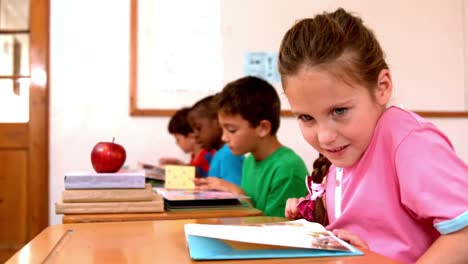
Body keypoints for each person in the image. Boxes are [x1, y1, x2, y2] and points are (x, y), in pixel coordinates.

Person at [279, 8, 468, 264]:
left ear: (382, 87)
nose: (324, 137)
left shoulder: (409, 141)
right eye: (306, 118)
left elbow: (464, 233)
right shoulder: (345, 153)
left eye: (339, 111)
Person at [194, 76, 308, 217]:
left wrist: (238, 193)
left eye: (231, 130)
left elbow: (276, 231)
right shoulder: (249, 161)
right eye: (222, 129)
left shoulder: (287, 168)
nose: (224, 137)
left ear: (262, 128)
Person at [188, 95, 244, 185]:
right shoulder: (220, 154)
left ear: (218, 123)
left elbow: (235, 196)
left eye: (198, 128)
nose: (195, 135)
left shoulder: (229, 154)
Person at [159, 107, 215, 177]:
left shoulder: (208, 157)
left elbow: (205, 179)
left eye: (178, 139)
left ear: (191, 137)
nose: (176, 143)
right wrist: (179, 163)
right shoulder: (194, 156)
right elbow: (194, 172)